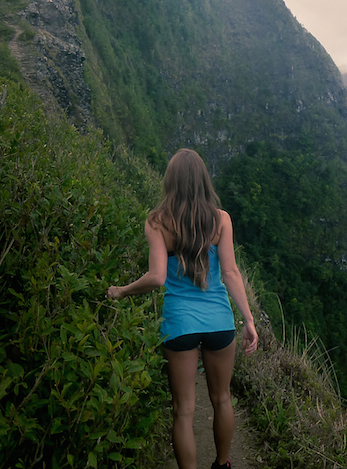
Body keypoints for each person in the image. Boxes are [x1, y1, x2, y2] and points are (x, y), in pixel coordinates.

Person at [107, 148, 259, 469]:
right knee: (222, 399)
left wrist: (122, 291)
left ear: (170, 181)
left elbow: (157, 277)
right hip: (219, 321)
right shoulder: (221, 220)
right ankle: (221, 464)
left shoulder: (157, 222)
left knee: (184, 410)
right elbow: (231, 273)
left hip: (179, 325)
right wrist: (248, 319)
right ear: (203, 180)